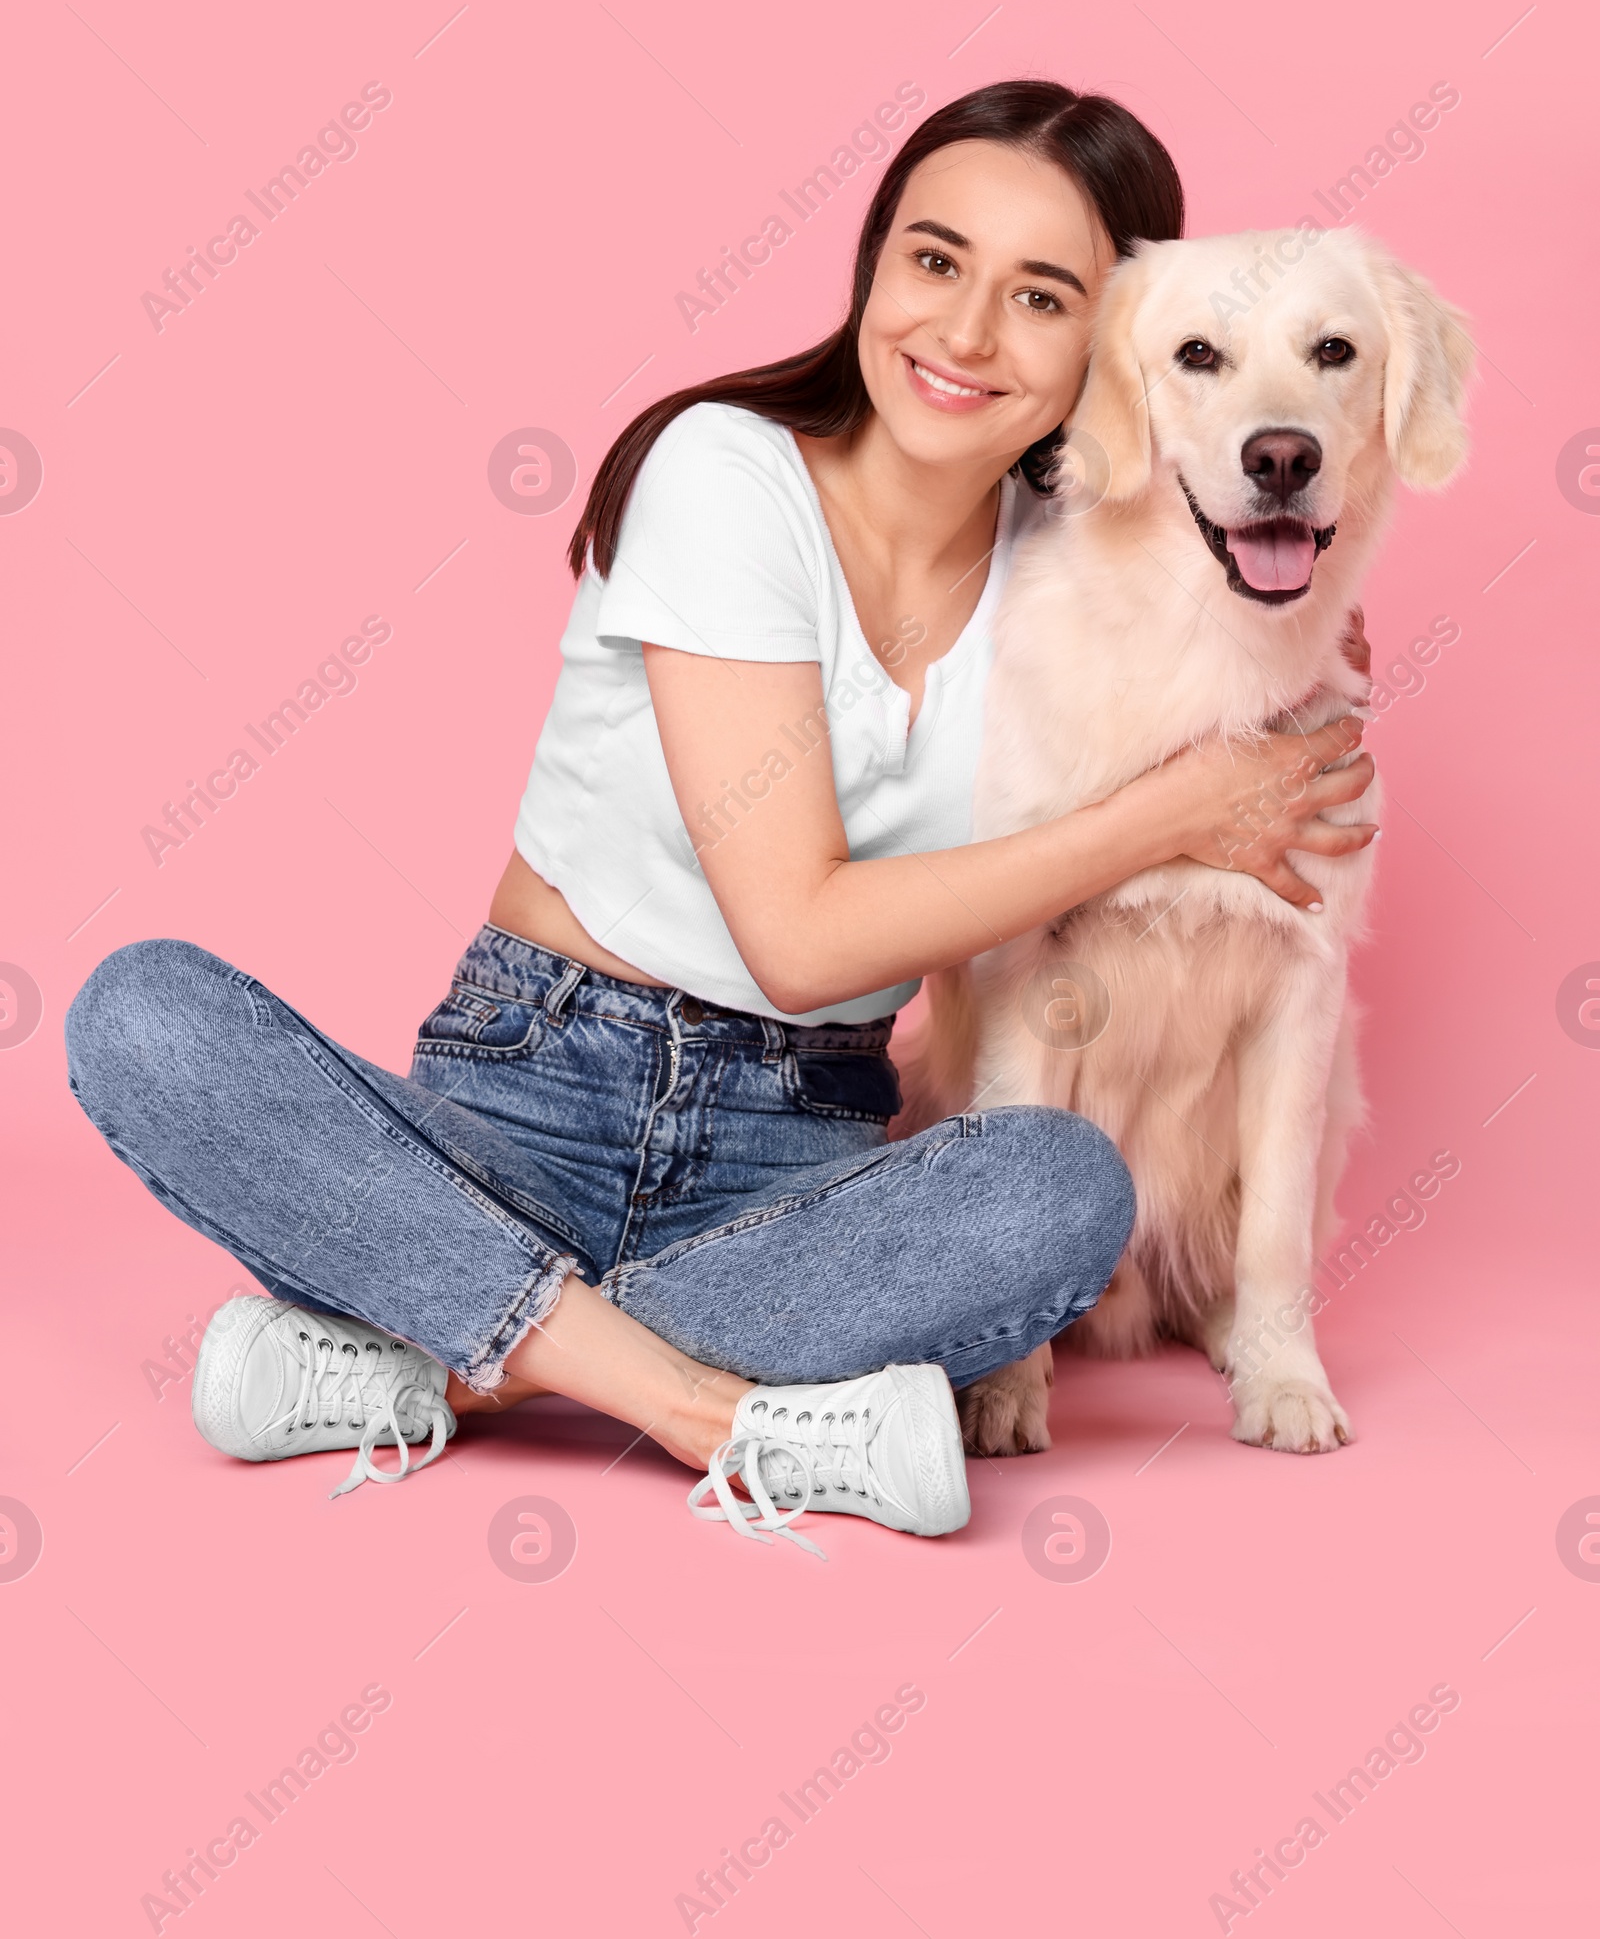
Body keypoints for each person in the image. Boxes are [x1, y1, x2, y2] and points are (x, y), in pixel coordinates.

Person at [64, 81, 1375, 1553]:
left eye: (1041, 296)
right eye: (933, 263)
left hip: (800, 1146)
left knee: (1061, 1189)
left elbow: (1274, 615)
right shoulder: (723, 472)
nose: (964, 334)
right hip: (532, 1093)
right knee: (144, 1017)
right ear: (873, 265)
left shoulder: (1087, 565)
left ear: (1116, 347)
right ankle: (719, 1415)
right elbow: (798, 933)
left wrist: (1294, 644)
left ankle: (436, 1340)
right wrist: (1174, 815)